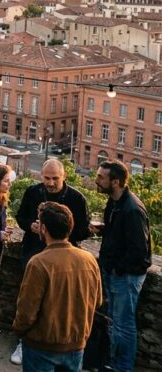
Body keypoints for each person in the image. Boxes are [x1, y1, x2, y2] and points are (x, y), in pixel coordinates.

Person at [11, 158, 89, 365]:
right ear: (41, 176)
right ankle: (23, 342)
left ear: (64, 177)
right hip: (34, 251)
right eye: (47, 178)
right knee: (29, 294)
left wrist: (57, 232)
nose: (51, 182)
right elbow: (20, 217)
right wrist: (32, 226)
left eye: (55, 178)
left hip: (65, 255)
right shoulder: (32, 192)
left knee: (58, 299)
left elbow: (84, 230)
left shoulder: (76, 198)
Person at [12, 202, 102, 372]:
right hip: (76, 345)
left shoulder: (39, 262)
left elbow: (26, 310)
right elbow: (96, 302)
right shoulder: (89, 259)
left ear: (43, 229)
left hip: (41, 345)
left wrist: (19, 330)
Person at [93, 160, 152, 372]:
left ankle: (122, 368)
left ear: (115, 181)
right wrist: (103, 230)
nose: (96, 180)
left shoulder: (132, 209)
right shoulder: (115, 201)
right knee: (114, 323)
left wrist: (117, 269)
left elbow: (140, 254)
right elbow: (119, 236)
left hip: (125, 276)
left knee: (124, 326)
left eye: (101, 177)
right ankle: (113, 364)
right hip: (114, 272)